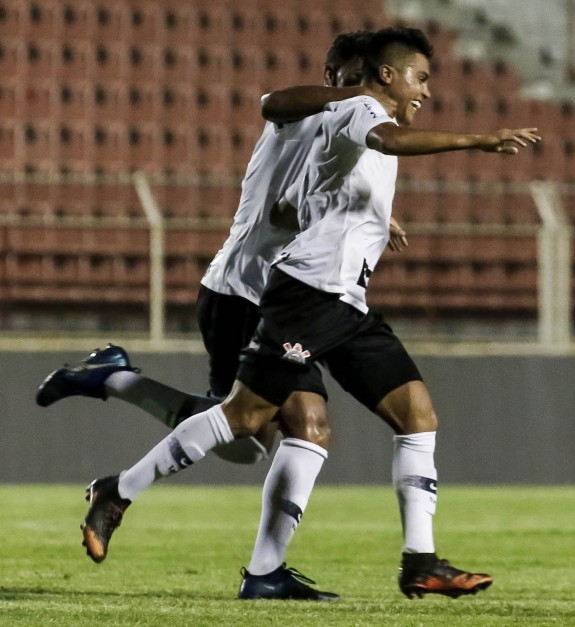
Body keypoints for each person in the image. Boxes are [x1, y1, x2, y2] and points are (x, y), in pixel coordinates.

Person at [77, 26, 541, 601]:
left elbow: (296, 197)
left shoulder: (345, 121)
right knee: (245, 423)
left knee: (410, 413)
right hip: (302, 295)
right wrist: (479, 141)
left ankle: (415, 561)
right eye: (420, 77)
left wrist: (371, 217)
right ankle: (117, 490)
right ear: (389, 75)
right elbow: (366, 139)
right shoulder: (359, 108)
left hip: (346, 303)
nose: (425, 90)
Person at [34, 32, 406, 466]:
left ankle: (112, 378)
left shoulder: (355, 131)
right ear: (331, 76)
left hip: (290, 294)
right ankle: (122, 476)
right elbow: (272, 104)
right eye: (355, 80)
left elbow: (324, 192)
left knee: (248, 445)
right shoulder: (304, 114)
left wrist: (373, 214)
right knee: (303, 424)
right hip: (246, 287)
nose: (366, 94)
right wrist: (357, 95)